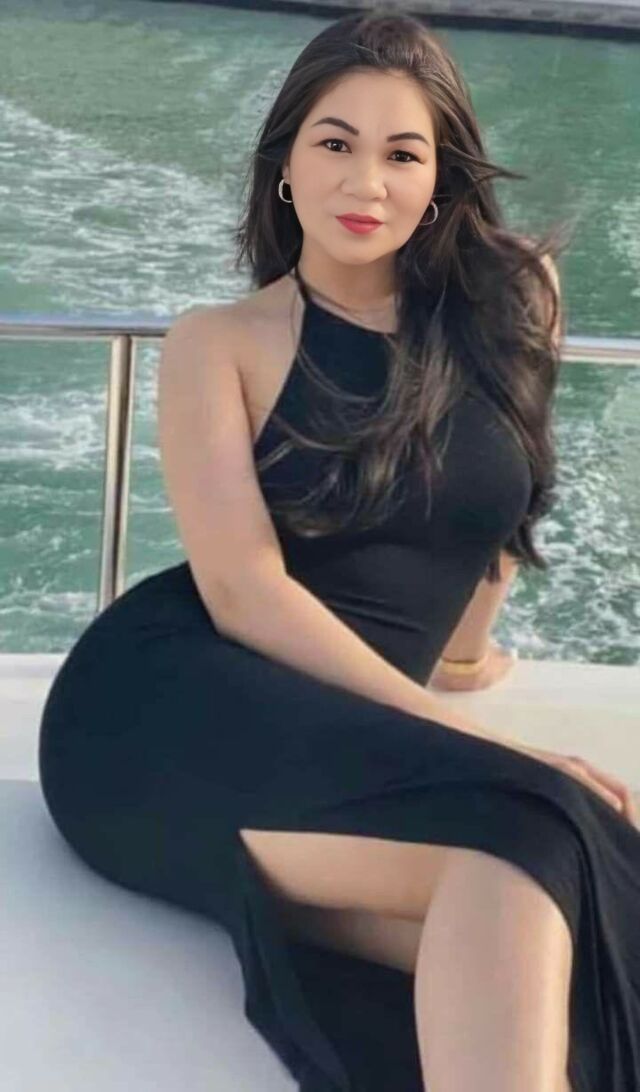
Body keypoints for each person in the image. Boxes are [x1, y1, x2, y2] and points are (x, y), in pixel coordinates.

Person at [38, 11, 640, 1092]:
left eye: (402, 153)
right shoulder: (221, 343)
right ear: (285, 163)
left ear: (439, 179)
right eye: (334, 142)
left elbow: (498, 509)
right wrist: (489, 750)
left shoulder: (516, 300)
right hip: (166, 707)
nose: (366, 181)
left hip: (355, 722)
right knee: (535, 825)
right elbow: (244, 593)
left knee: (561, 897)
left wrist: (465, 662)